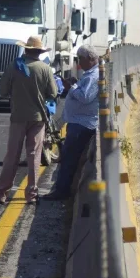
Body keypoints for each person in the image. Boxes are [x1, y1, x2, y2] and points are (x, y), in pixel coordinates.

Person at [0, 36, 58, 205]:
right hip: (38, 118)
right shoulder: (45, 69)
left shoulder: (14, 67)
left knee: (12, 156)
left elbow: (2, 91)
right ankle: (32, 195)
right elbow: (53, 94)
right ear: (39, 52)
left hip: (18, 117)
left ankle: (1, 193)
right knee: (34, 156)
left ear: (26, 50)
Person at [43, 45, 100, 201]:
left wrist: (71, 87)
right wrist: (76, 84)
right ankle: (64, 189)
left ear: (89, 58)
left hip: (82, 124)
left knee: (68, 158)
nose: (79, 63)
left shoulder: (93, 76)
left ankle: (62, 191)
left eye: (80, 59)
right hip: (80, 122)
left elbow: (85, 97)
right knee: (68, 157)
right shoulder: (90, 74)